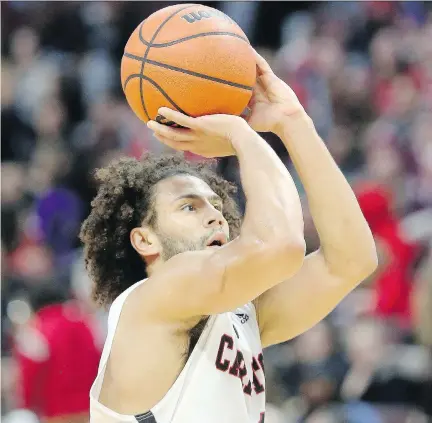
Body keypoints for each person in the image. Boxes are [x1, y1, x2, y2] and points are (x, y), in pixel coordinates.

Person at [82, 50, 377, 423]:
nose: (215, 219)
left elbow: (350, 260)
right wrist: (241, 132)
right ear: (145, 240)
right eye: (189, 207)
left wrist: (293, 122)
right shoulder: (152, 301)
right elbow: (280, 245)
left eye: (217, 208)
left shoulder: (238, 315)